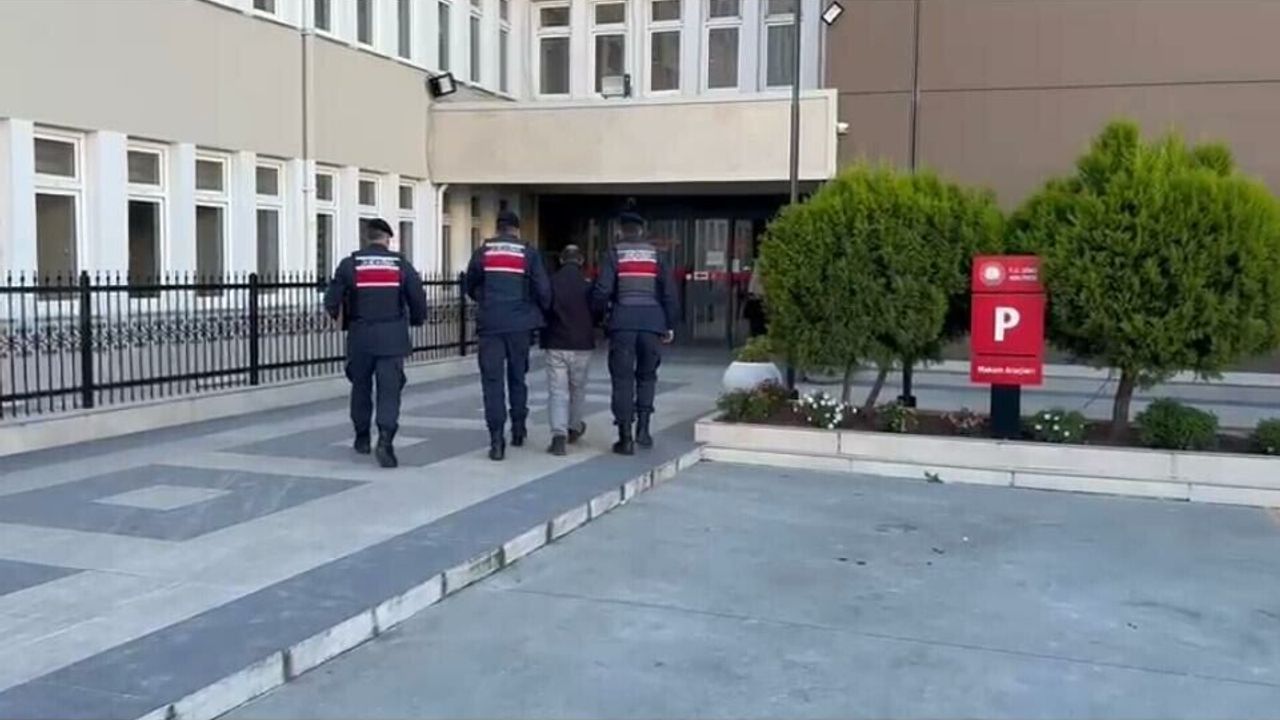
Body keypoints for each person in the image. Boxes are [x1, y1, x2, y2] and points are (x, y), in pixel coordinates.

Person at [324, 218, 428, 469]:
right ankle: (385, 439)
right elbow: (417, 297)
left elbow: (331, 300)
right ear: (387, 239)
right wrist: (417, 319)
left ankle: (362, 437)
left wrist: (340, 317)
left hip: (360, 337)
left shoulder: (350, 264)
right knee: (389, 390)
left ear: (366, 237)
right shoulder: (400, 265)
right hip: (392, 338)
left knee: (360, 387)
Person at [465, 209, 552, 461]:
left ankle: (496, 440)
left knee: (492, 382)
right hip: (519, 326)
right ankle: (518, 428)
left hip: (490, 325)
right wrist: (542, 312)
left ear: (497, 228)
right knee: (517, 377)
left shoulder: (484, 252)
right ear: (516, 229)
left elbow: (470, 284)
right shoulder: (528, 253)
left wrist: (484, 300)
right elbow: (543, 289)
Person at [593, 211, 679, 455]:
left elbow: (602, 290)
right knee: (647, 376)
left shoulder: (614, 254)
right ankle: (644, 430)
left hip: (623, 323)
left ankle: (625, 437)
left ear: (620, 230)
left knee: (622, 379)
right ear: (642, 231)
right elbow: (669, 292)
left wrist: (598, 318)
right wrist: (669, 324)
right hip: (652, 323)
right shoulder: (657, 255)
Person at [542, 245, 598, 456]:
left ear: (561, 260)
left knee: (557, 391)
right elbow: (597, 308)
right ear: (581, 261)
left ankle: (558, 436)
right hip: (582, 343)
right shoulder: (588, 284)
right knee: (578, 388)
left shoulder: (551, 281)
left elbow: (545, 306)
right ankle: (574, 427)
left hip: (556, 342)